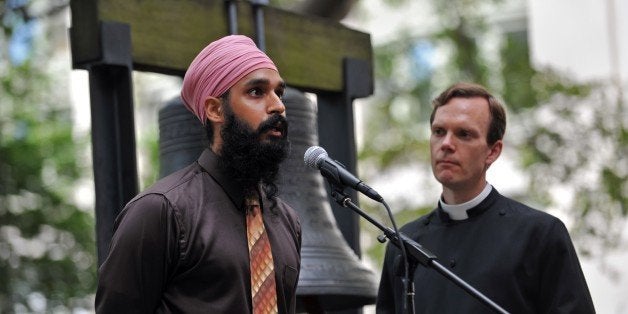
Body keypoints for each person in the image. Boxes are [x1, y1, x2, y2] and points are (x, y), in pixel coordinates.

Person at [95, 35, 302, 313]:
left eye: (279, 93)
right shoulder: (160, 211)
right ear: (215, 109)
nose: (277, 105)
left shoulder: (287, 221)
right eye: (256, 92)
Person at [376, 82, 595, 313]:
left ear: (493, 151)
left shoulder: (540, 234)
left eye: (464, 134)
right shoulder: (405, 243)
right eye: (439, 132)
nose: (447, 144)